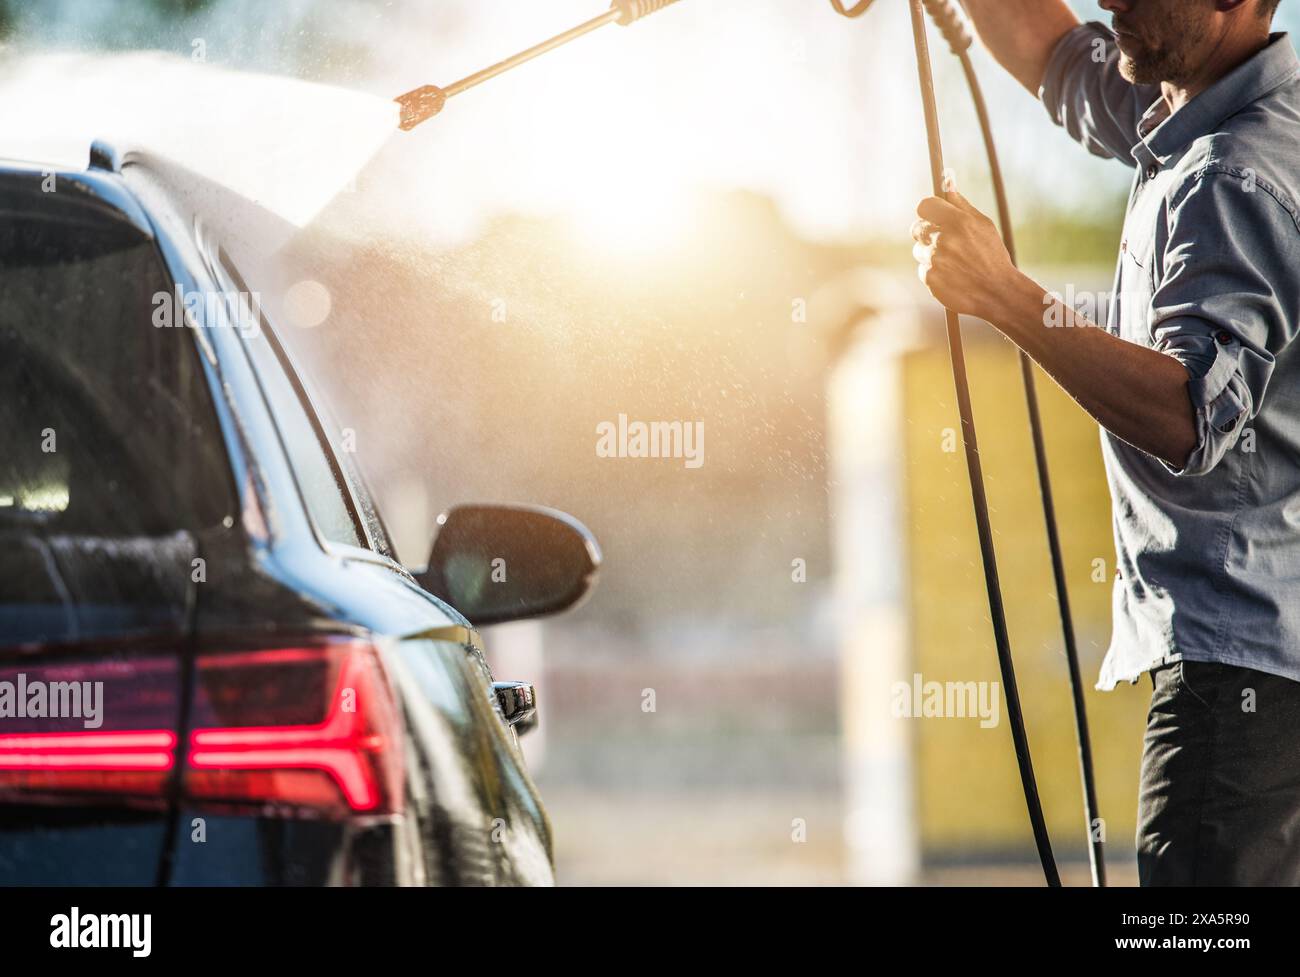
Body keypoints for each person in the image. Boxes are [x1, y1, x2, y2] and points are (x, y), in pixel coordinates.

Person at [912, 0, 1300, 884]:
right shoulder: (1187, 100)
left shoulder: (1238, 172)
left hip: (1239, 696)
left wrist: (1009, 297)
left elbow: (1188, 415)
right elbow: (1048, 49)